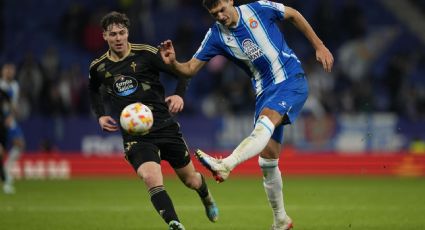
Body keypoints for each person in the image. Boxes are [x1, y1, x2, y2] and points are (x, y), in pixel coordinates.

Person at [159, 0, 334, 229]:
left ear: (230, 1)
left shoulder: (259, 8)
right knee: (267, 160)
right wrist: (173, 63)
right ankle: (281, 219)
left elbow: (293, 14)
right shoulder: (216, 36)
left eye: (222, 9)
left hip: (291, 79)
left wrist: (319, 46)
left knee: (265, 121)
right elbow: (190, 69)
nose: (220, 16)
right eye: (214, 14)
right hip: (264, 92)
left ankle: (227, 164)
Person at [88, 12, 218, 230]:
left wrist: (178, 95)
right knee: (150, 177)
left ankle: (206, 196)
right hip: (136, 135)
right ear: (104, 36)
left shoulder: (146, 54)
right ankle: (174, 223)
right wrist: (100, 114)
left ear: (127, 32)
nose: (118, 38)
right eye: (113, 34)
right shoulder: (99, 67)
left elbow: (183, 72)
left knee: (191, 180)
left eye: (122, 33)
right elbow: (93, 90)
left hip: (165, 126)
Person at [0, 62, 26, 194]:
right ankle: (5, 175)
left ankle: (6, 170)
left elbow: (13, 104)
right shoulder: (1, 85)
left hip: (9, 119)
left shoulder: (15, 86)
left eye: (11, 70)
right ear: (3, 71)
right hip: (1, 117)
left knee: (20, 144)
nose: (9, 72)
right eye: (7, 70)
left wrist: (12, 115)